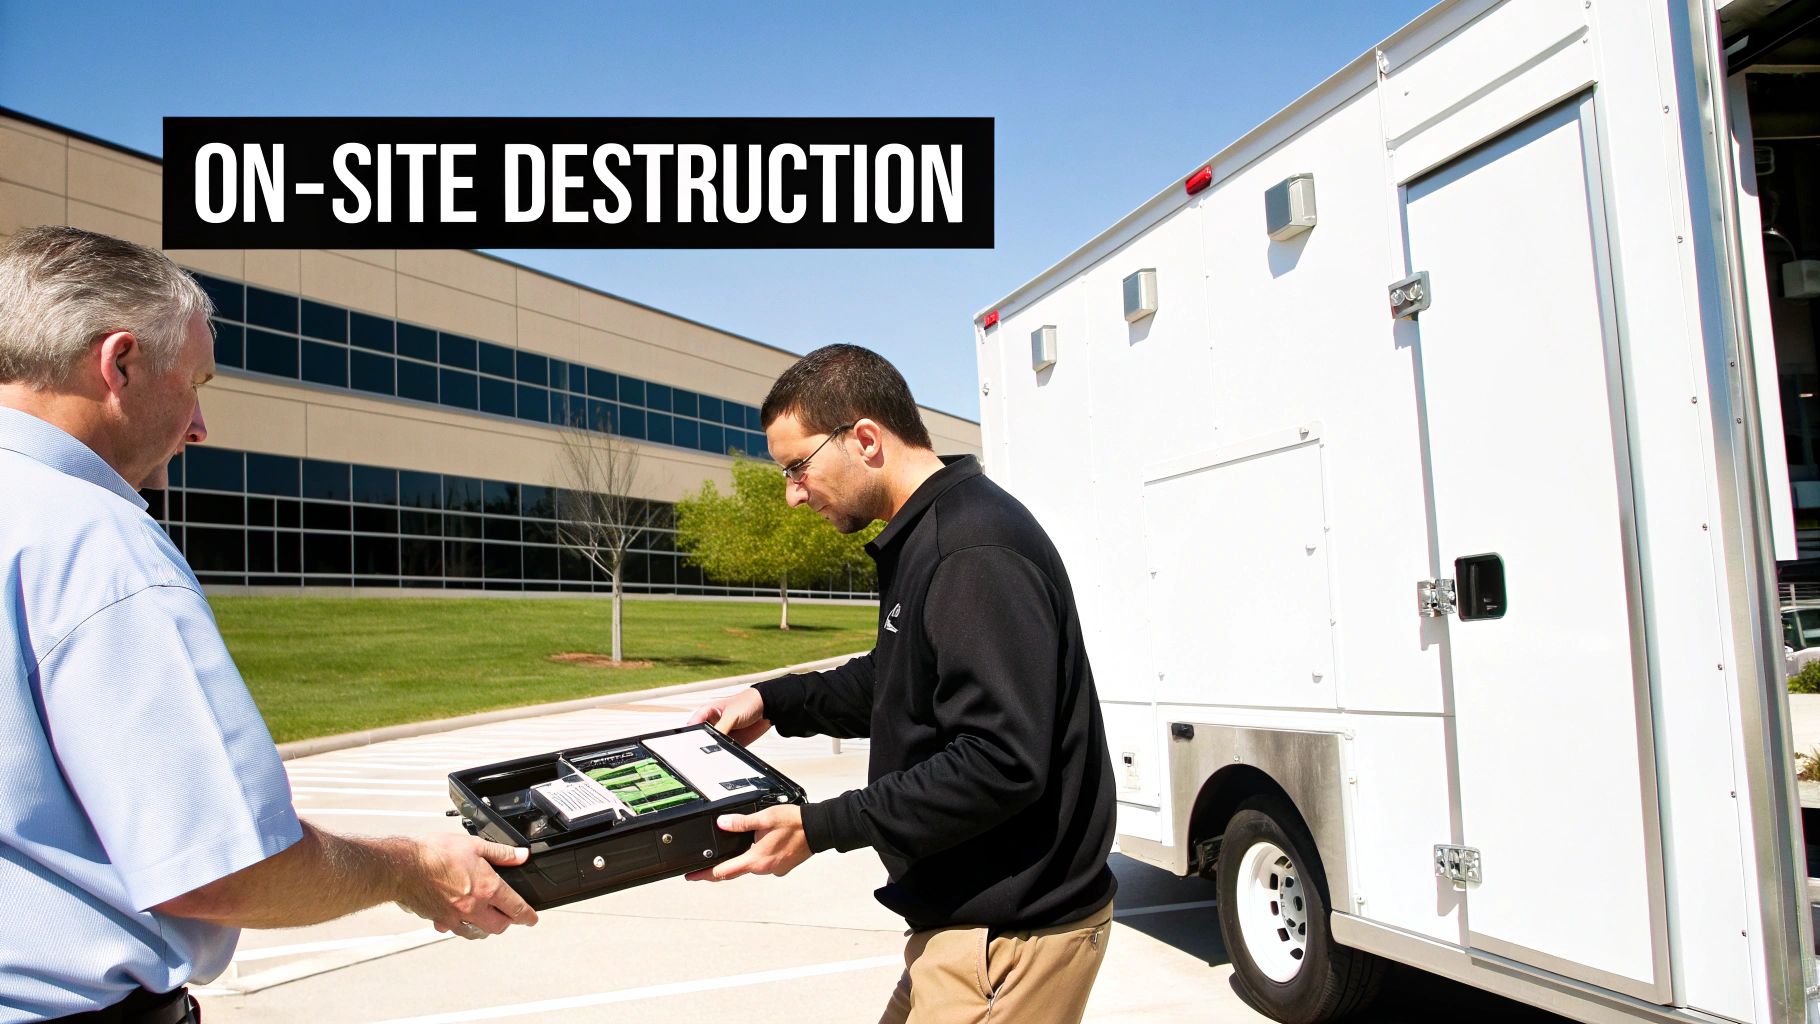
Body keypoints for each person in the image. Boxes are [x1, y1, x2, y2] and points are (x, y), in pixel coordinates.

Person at [0, 226, 537, 1024]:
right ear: (119, 363)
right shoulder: (95, 542)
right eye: (195, 383)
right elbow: (221, 870)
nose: (201, 426)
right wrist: (409, 866)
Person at [685, 344, 1117, 1023]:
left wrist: (820, 825)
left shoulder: (971, 549)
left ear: (864, 439)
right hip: (967, 929)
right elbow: (900, 680)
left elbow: (1001, 762)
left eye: (797, 467)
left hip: (1009, 938)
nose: (793, 494)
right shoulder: (930, 536)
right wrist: (778, 700)